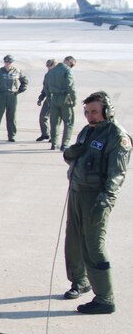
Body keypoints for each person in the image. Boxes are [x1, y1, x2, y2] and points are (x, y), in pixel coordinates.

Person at [61, 91, 131, 314]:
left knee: (94, 246)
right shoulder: (88, 131)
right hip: (76, 193)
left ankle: (105, 298)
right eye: (87, 112)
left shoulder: (117, 136)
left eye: (94, 111)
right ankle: (79, 281)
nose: (90, 116)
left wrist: (104, 202)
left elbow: (117, 175)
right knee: (73, 240)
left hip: (95, 197)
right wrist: (70, 153)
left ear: (107, 110)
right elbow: (72, 156)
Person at [0, 54, 29, 142]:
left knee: (12, 116)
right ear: (4, 62)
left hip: (12, 96)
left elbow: (24, 81)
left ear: (12, 62)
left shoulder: (17, 71)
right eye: (6, 61)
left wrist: (19, 90)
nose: (8, 63)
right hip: (0, 96)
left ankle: (11, 135)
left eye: (9, 62)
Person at [46, 55, 77, 151]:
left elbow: (46, 86)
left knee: (54, 122)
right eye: (71, 65)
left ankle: (54, 144)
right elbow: (70, 86)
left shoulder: (51, 71)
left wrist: (49, 99)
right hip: (64, 98)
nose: (71, 67)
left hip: (54, 98)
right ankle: (64, 144)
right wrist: (74, 99)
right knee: (68, 122)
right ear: (68, 62)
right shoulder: (67, 70)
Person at [36, 59, 57, 142]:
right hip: (48, 99)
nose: (48, 68)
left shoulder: (59, 75)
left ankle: (54, 137)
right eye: (47, 66)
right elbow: (45, 87)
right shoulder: (47, 75)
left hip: (56, 99)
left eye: (50, 66)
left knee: (54, 119)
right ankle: (45, 134)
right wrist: (41, 97)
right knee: (42, 117)